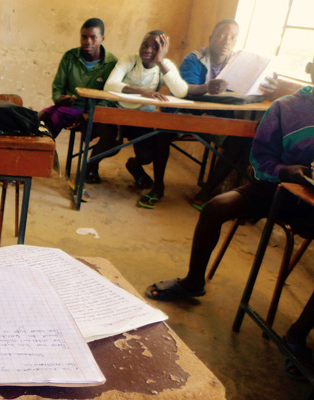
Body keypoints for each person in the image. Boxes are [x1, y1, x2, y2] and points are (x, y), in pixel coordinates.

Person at [145, 57, 314, 306]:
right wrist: (283, 170)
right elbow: (261, 156)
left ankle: (298, 334)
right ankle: (193, 281)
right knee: (216, 207)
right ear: (310, 70)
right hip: (278, 189)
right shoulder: (286, 107)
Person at [178, 19, 277, 210]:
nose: (226, 41)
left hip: (219, 119)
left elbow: (242, 91)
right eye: (222, 35)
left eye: (233, 37)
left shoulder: (238, 63)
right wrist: (205, 87)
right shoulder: (194, 58)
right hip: (191, 116)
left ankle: (207, 190)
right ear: (211, 37)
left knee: (242, 141)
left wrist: (267, 88)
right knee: (163, 133)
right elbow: (184, 89)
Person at [103, 30, 188, 208]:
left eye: (155, 47)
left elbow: (181, 91)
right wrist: (142, 91)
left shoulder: (165, 65)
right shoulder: (130, 59)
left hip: (143, 119)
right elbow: (110, 84)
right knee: (111, 145)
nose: (148, 49)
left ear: (163, 50)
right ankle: (90, 168)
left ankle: (134, 165)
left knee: (146, 156)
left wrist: (160, 62)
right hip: (119, 113)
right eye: (145, 44)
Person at [38, 18, 118, 183]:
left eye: (93, 37)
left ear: (102, 38)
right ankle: (35, 161)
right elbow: (58, 87)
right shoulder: (70, 57)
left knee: (112, 136)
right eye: (84, 37)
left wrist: (92, 113)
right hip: (70, 109)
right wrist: (60, 98)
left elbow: (111, 96)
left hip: (96, 112)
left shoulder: (112, 63)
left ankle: (90, 168)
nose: (88, 41)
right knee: (41, 119)